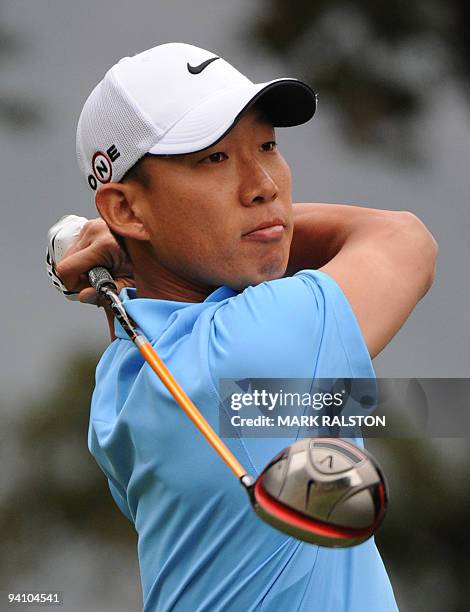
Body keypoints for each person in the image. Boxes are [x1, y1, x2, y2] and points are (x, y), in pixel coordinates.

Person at [46, 42, 437, 611]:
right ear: (125, 209)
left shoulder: (122, 377)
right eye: (214, 159)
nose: (264, 185)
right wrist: (132, 248)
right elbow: (405, 240)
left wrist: (136, 245)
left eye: (267, 146)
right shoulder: (249, 349)